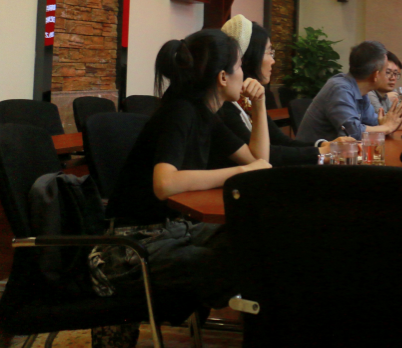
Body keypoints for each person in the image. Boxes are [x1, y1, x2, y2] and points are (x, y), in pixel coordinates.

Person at [99, 29, 272, 310]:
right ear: (223, 77)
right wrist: (240, 173)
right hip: (131, 246)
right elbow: (164, 184)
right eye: (240, 66)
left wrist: (259, 106)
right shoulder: (180, 111)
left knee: (260, 237)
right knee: (237, 261)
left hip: (174, 230)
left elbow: (258, 160)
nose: (244, 73)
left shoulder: (205, 113)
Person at [218, 15, 353, 165]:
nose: (273, 61)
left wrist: (323, 145)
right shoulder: (224, 105)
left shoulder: (247, 99)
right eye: (269, 52)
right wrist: (322, 152)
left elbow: (280, 141)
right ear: (249, 57)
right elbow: (264, 157)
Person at [295, 40, 402, 143]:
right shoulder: (339, 89)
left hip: (340, 154)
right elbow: (353, 132)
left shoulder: (361, 91)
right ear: (376, 75)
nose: (391, 77)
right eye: (386, 71)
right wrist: (386, 128)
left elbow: (373, 122)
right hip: (313, 155)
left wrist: (387, 123)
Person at [367, 51, 402, 116]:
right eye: (388, 72)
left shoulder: (384, 95)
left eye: (395, 73)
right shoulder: (369, 93)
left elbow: (398, 117)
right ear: (376, 73)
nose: (393, 78)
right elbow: (382, 119)